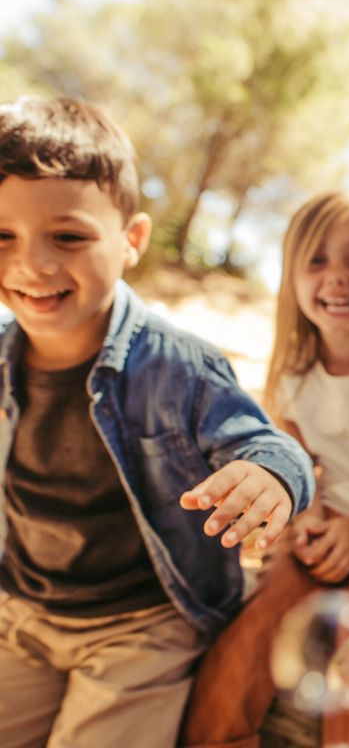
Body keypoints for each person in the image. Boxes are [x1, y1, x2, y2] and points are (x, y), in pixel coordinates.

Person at [0, 96, 315, 748]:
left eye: (69, 236)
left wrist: (269, 479)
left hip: (142, 624)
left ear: (132, 240)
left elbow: (270, 447)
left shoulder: (180, 365)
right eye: (2, 235)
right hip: (24, 614)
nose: (32, 264)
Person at [180, 190, 349, 748]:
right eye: (316, 261)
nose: (335, 277)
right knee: (261, 620)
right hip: (326, 518)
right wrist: (310, 515)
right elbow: (299, 462)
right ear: (292, 277)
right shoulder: (294, 376)